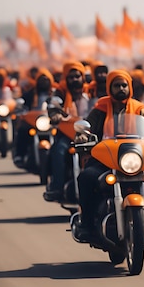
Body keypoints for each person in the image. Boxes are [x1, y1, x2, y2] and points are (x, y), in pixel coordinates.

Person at [75, 69, 144, 240]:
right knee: (85, 177)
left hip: (134, 158)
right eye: (117, 85)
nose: (121, 88)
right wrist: (83, 135)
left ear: (129, 87)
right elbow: (88, 127)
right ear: (110, 88)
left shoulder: (139, 109)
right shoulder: (100, 109)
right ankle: (86, 223)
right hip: (105, 160)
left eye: (124, 85)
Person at [43, 61, 91, 202]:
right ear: (66, 78)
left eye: (77, 76)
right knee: (58, 151)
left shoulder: (91, 91)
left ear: (82, 77)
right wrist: (55, 114)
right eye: (71, 77)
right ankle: (57, 187)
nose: (75, 80)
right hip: (68, 134)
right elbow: (53, 105)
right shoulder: (60, 92)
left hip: (90, 134)